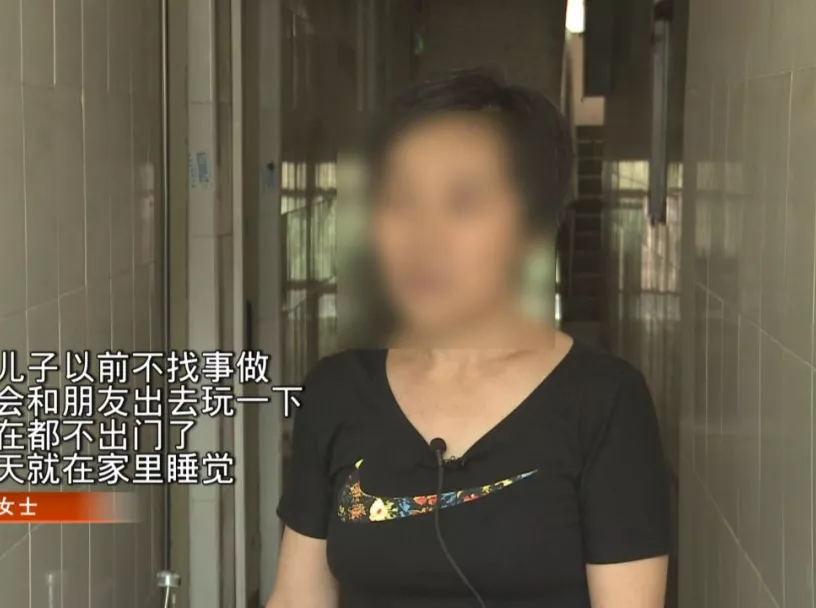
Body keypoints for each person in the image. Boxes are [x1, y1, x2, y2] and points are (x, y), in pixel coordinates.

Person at [266, 69, 670, 608]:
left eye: (463, 203)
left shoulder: (605, 403)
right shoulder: (336, 391)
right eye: (400, 199)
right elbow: (297, 597)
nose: (424, 237)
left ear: (534, 226)